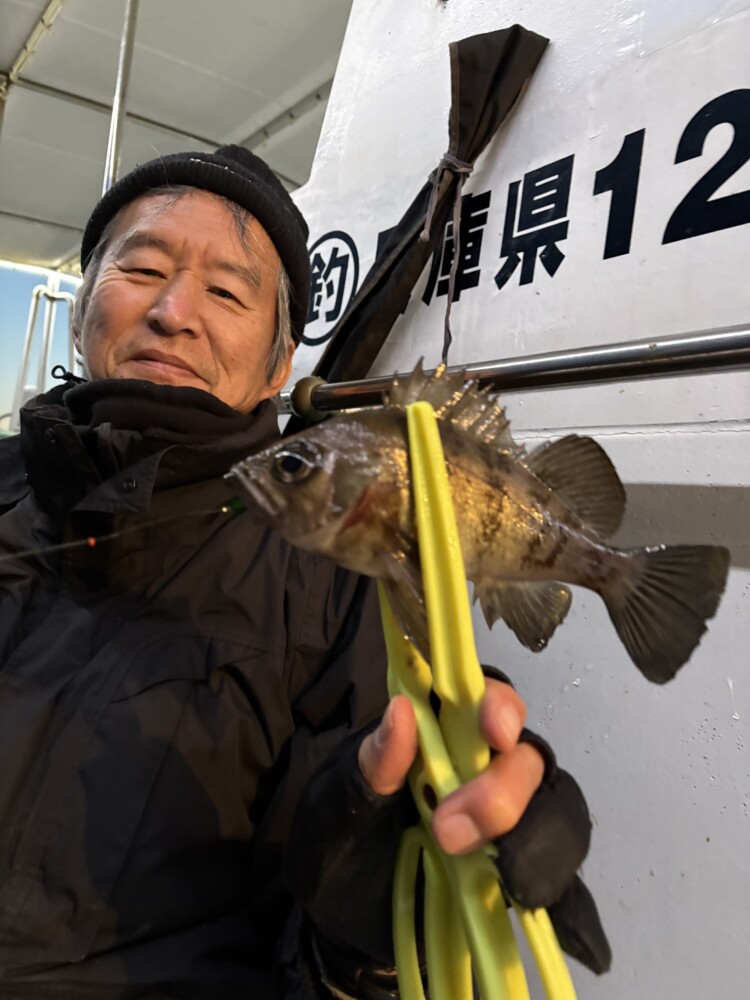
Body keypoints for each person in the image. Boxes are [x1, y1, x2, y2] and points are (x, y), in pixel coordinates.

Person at [0, 146, 607, 999]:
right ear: (78, 309)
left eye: (225, 291)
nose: (174, 311)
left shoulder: (339, 584)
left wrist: (367, 933)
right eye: (141, 268)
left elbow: (314, 965)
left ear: (279, 365)